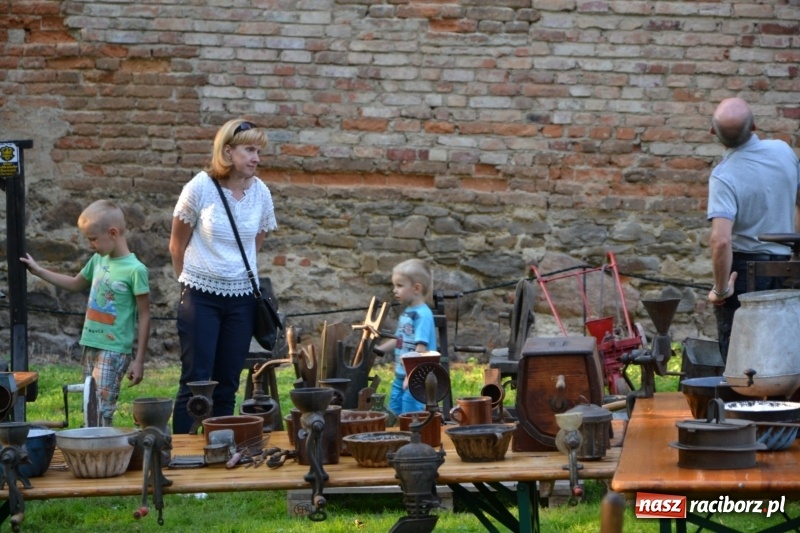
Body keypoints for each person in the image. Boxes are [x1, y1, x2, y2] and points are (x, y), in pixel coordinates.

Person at [169, 118, 277, 433]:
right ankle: (185, 459)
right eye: (249, 150)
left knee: (228, 381)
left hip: (243, 300)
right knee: (196, 381)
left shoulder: (262, 194)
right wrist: (187, 288)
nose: (256, 157)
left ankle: (219, 448)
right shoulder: (200, 187)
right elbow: (177, 245)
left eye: (258, 150)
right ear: (227, 152)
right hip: (200, 296)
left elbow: (254, 248)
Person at [20, 200, 151, 426]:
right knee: (89, 405)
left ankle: (102, 456)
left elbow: (145, 315)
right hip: (90, 344)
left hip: (114, 349)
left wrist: (139, 360)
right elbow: (74, 283)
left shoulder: (136, 270)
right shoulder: (98, 260)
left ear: (113, 233)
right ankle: (91, 454)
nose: (90, 245)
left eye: (93, 239)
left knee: (100, 410)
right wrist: (38, 271)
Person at [706, 97, 800, 362]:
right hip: (790, 267)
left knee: (742, 356)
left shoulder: (723, 176)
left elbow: (721, 241)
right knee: (787, 351)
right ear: (755, 126)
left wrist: (722, 289)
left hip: (746, 273)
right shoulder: (783, 151)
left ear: (713, 133)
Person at [376, 259, 438, 416]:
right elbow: (399, 339)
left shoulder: (422, 315)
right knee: (394, 412)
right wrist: (378, 349)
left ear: (416, 288)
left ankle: (415, 439)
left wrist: (411, 376)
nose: (394, 290)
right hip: (401, 375)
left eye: (399, 285)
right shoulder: (407, 312)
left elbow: (421, 349)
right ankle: (400, 439)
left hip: (417, 377)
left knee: (411, 415)